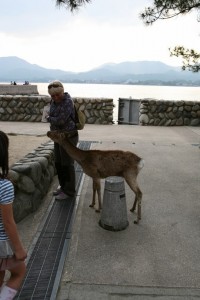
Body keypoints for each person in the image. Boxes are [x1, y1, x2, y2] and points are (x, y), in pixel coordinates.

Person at [0, 131, 27, 300]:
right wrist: (19, 249)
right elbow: (8, 223)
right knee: (19, 272)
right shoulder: (4, 186)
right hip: (2, 245)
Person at [46, 80, 79, 200]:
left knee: (67, 164)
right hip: (58, 137)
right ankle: (63, 186)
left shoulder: (68, 102)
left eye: (57, 95)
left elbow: (61, 120)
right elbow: (55, 116)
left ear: (62, 91)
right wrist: (51, 118)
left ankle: (69, 191)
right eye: (52, 96)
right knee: (58, 163)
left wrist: (49, 118)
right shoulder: (53, 101)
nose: (55, 98)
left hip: (68, 137)